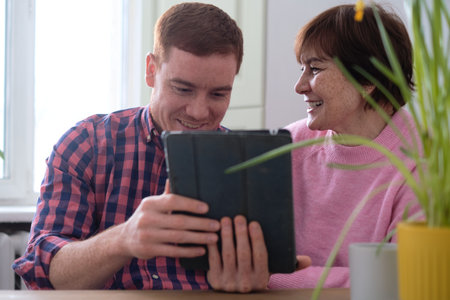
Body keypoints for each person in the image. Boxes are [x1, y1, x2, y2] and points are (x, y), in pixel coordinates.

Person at [13, 2, 310, 292]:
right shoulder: (86, 145)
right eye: (182, 88)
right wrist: (123, 239)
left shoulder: (249, 166)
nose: (198, 111)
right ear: (151, 71)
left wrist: (251, 283)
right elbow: (44, 277)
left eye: (218, 94)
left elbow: (266, 278)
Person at [268, 4, 421, 289]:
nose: (299, 86)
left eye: (314, 69)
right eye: (301, 69)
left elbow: (402, 278)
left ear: (367, 79)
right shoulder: (289, 145)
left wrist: (278, 279)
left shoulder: (424, 164)